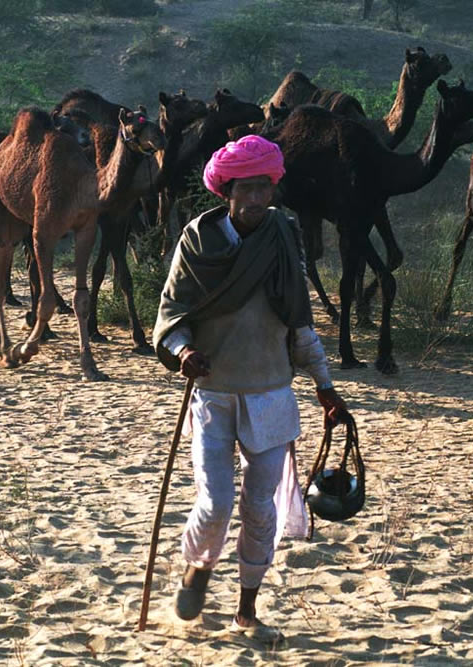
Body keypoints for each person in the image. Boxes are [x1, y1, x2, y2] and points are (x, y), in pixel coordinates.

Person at [153, 134, 351, 642]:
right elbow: (172, 317)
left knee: (260, 509)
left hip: (271, 396)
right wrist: (182, 352)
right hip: (214, 394)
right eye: (247, 187)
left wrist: (325, 388)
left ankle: (247, 608)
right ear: (227, 191)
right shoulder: (198, 242)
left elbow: (299, 324)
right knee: (215, 504)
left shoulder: (284, 238)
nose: (257, 197)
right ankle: (197, 567)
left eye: (265, 186)